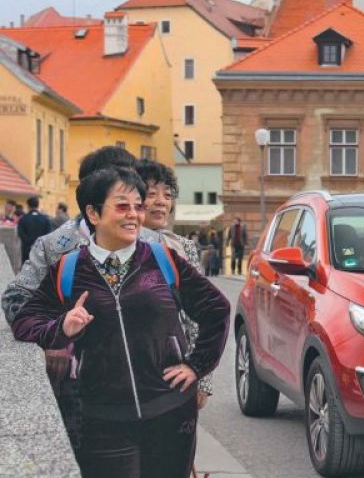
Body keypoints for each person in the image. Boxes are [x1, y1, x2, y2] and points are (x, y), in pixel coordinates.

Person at [11, 167, 230, 478]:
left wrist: (197, 366)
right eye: (122, 206)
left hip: (171, 413)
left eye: (138, 206)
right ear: (93, 213)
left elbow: (217, 309)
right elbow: (24, 321)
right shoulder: (68, 269)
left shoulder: (164, 260)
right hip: (101, 419)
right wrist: (61, 328)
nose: (134, 215)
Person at [1, 145, 156, 450]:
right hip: (78, 384)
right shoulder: (55, 246)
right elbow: (15, 299)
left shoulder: (153, 243)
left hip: (144, 381)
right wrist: (54, 334)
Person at [134, 159, 213, 408]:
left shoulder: (183, 248)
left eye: (167, 195)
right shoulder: (110, 247)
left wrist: (201, 378)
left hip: (174, 370)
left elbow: (199, 316)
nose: (161, 202)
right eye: (151, 194)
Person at [16, 196, 52, 263]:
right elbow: (49, 234)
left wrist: (29, 242)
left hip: (27, 250)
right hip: (41, 250)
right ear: (38, 205)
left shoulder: (23, 219)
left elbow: (20, 233)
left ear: (28, 206)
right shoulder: (45, 219)